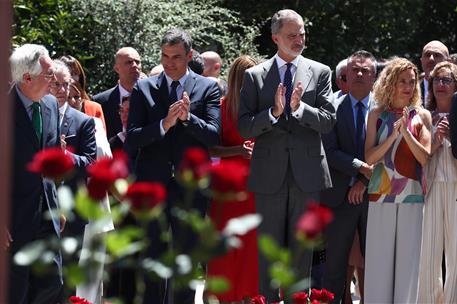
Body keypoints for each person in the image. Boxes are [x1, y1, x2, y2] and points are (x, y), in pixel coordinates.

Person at [237, 9, 336, 302]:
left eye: (302, 33)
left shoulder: (320, 71)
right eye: (292, 35)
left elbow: (329, 121)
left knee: (302, 254)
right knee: (268, 251)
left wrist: (299, 109)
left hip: (307, 175)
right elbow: (244, 126)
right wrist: (273, 113)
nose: (299, 40)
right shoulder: (254, 76)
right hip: (269, 176)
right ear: (275, 38)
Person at [126, 28, 221, 303]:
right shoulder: (144, 88)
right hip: (152, 186)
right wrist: (163, 125)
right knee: (152, 259)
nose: (169, 63)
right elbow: (133, 137)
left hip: (190, 189)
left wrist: (189, 118)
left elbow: (214, 135)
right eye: (165, 56)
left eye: (176, 57)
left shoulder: (208, 87)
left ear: (190, 56)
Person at [364, 58, 432, 303]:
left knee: (408, 268)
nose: (408, 86)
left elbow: (425, 159)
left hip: (413, 197)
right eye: (402, 81)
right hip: (379, 195)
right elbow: (369, 157)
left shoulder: (422, 116)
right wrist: (392, 136)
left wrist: (405, 132)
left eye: (412, 82)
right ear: (390, 82)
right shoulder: (376, 114)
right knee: (378, 267)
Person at [8, 43, 64, 303]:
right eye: (49, 75)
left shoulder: (51, 105)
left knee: (51, 285)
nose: (54, 81)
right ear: (27, 77)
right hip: (13, 223)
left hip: (47, 217)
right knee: (15, 292)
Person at [321, 50, 376, 303]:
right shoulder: (330, 106)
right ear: (346, 74)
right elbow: (328, 151)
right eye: (355, 69)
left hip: (375, 197)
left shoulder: (384, 108)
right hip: (338, 198)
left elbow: (386, 152)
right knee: (334, 268)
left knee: (376, 266)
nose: (360, 74)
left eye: (365, 70)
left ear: (374, 76)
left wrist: (363, 181)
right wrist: (360, 167)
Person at [207, 55, 258, 302]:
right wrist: (238, 150)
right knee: (226, 251)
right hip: (227, 190)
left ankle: (251, 298)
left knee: (252, 252)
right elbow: (211, 148)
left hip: (257, 189)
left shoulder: (263, 109)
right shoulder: (220, 106)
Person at [67, 80, 115, 304]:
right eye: (68, 96)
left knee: (90, 277)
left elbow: (105, 161)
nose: (72, 101)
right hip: (64, 209)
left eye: (77, 97)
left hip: (93, 207)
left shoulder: (93, 124)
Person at [417, 61, 457, 303]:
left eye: (447, 80)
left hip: (455, 187)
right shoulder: (422, 116)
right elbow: (418, 157)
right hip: (429, 188)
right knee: (428, 254)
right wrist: (436, 139)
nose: (441, 85)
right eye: (436, 80)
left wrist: (452, 137)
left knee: (456, 253)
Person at [49, 59, 97, 233]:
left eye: (66, 84)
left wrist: (65, 155)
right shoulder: (35, 115)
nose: (62, 90)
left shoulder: (83, 121)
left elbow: (91, 164)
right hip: (40, 209)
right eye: (56, 84)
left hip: (72, 210)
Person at [94, 47, 142, 140]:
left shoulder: (152, 95)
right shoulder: (101, 102)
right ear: (116, 68)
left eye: (137, 62)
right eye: (129, 62)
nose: (135, 65)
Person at [60, 55, 106, 131]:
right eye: (67, 73)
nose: (71, 78)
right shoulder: (48, 107)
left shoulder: (94, 108)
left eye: (74, 73)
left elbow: (101, 139)